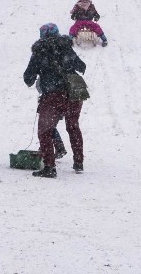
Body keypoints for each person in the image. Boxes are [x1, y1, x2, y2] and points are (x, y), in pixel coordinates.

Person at [23, 23, 87, 177]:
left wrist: (41, 75)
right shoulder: (66, 48)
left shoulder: (39, 52)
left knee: (45, 131)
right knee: (73, 126)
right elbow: (81, 66)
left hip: (53, 95)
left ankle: (49, 167)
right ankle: (78, 162)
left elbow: (28, 78)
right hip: (73, 93)